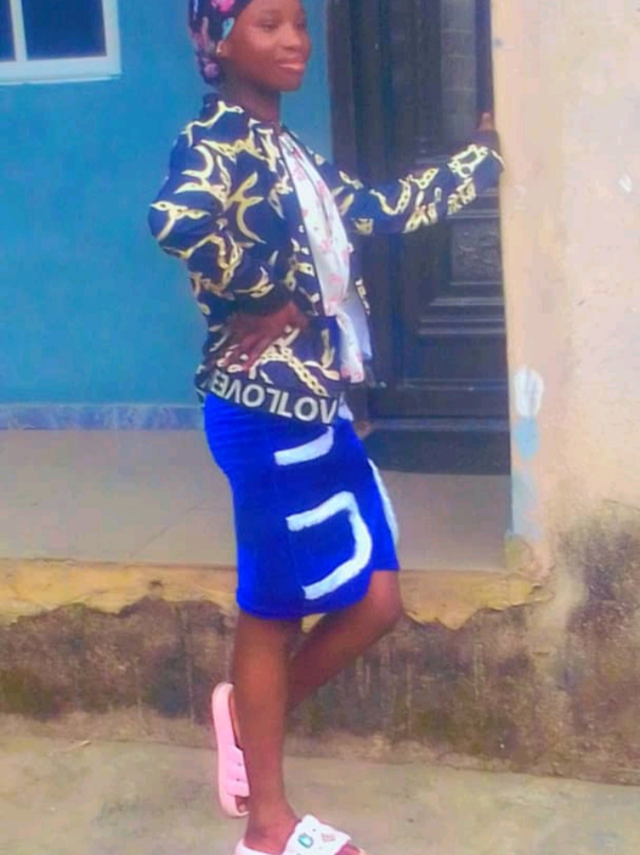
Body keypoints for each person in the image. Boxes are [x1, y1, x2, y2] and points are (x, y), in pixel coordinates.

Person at [149, 1, 503, 853]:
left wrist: (482, 161)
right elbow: (175, 221)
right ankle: (267, 829)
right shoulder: (216, 141)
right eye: (268, 24)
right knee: (272, 610)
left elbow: (378, 208)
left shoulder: (288, 150)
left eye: (300, 23)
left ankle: (248, 715)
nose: (295, 40)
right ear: (219, 42)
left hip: (319, 404)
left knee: (375, 599)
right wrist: (260, 292)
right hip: (263, 413)